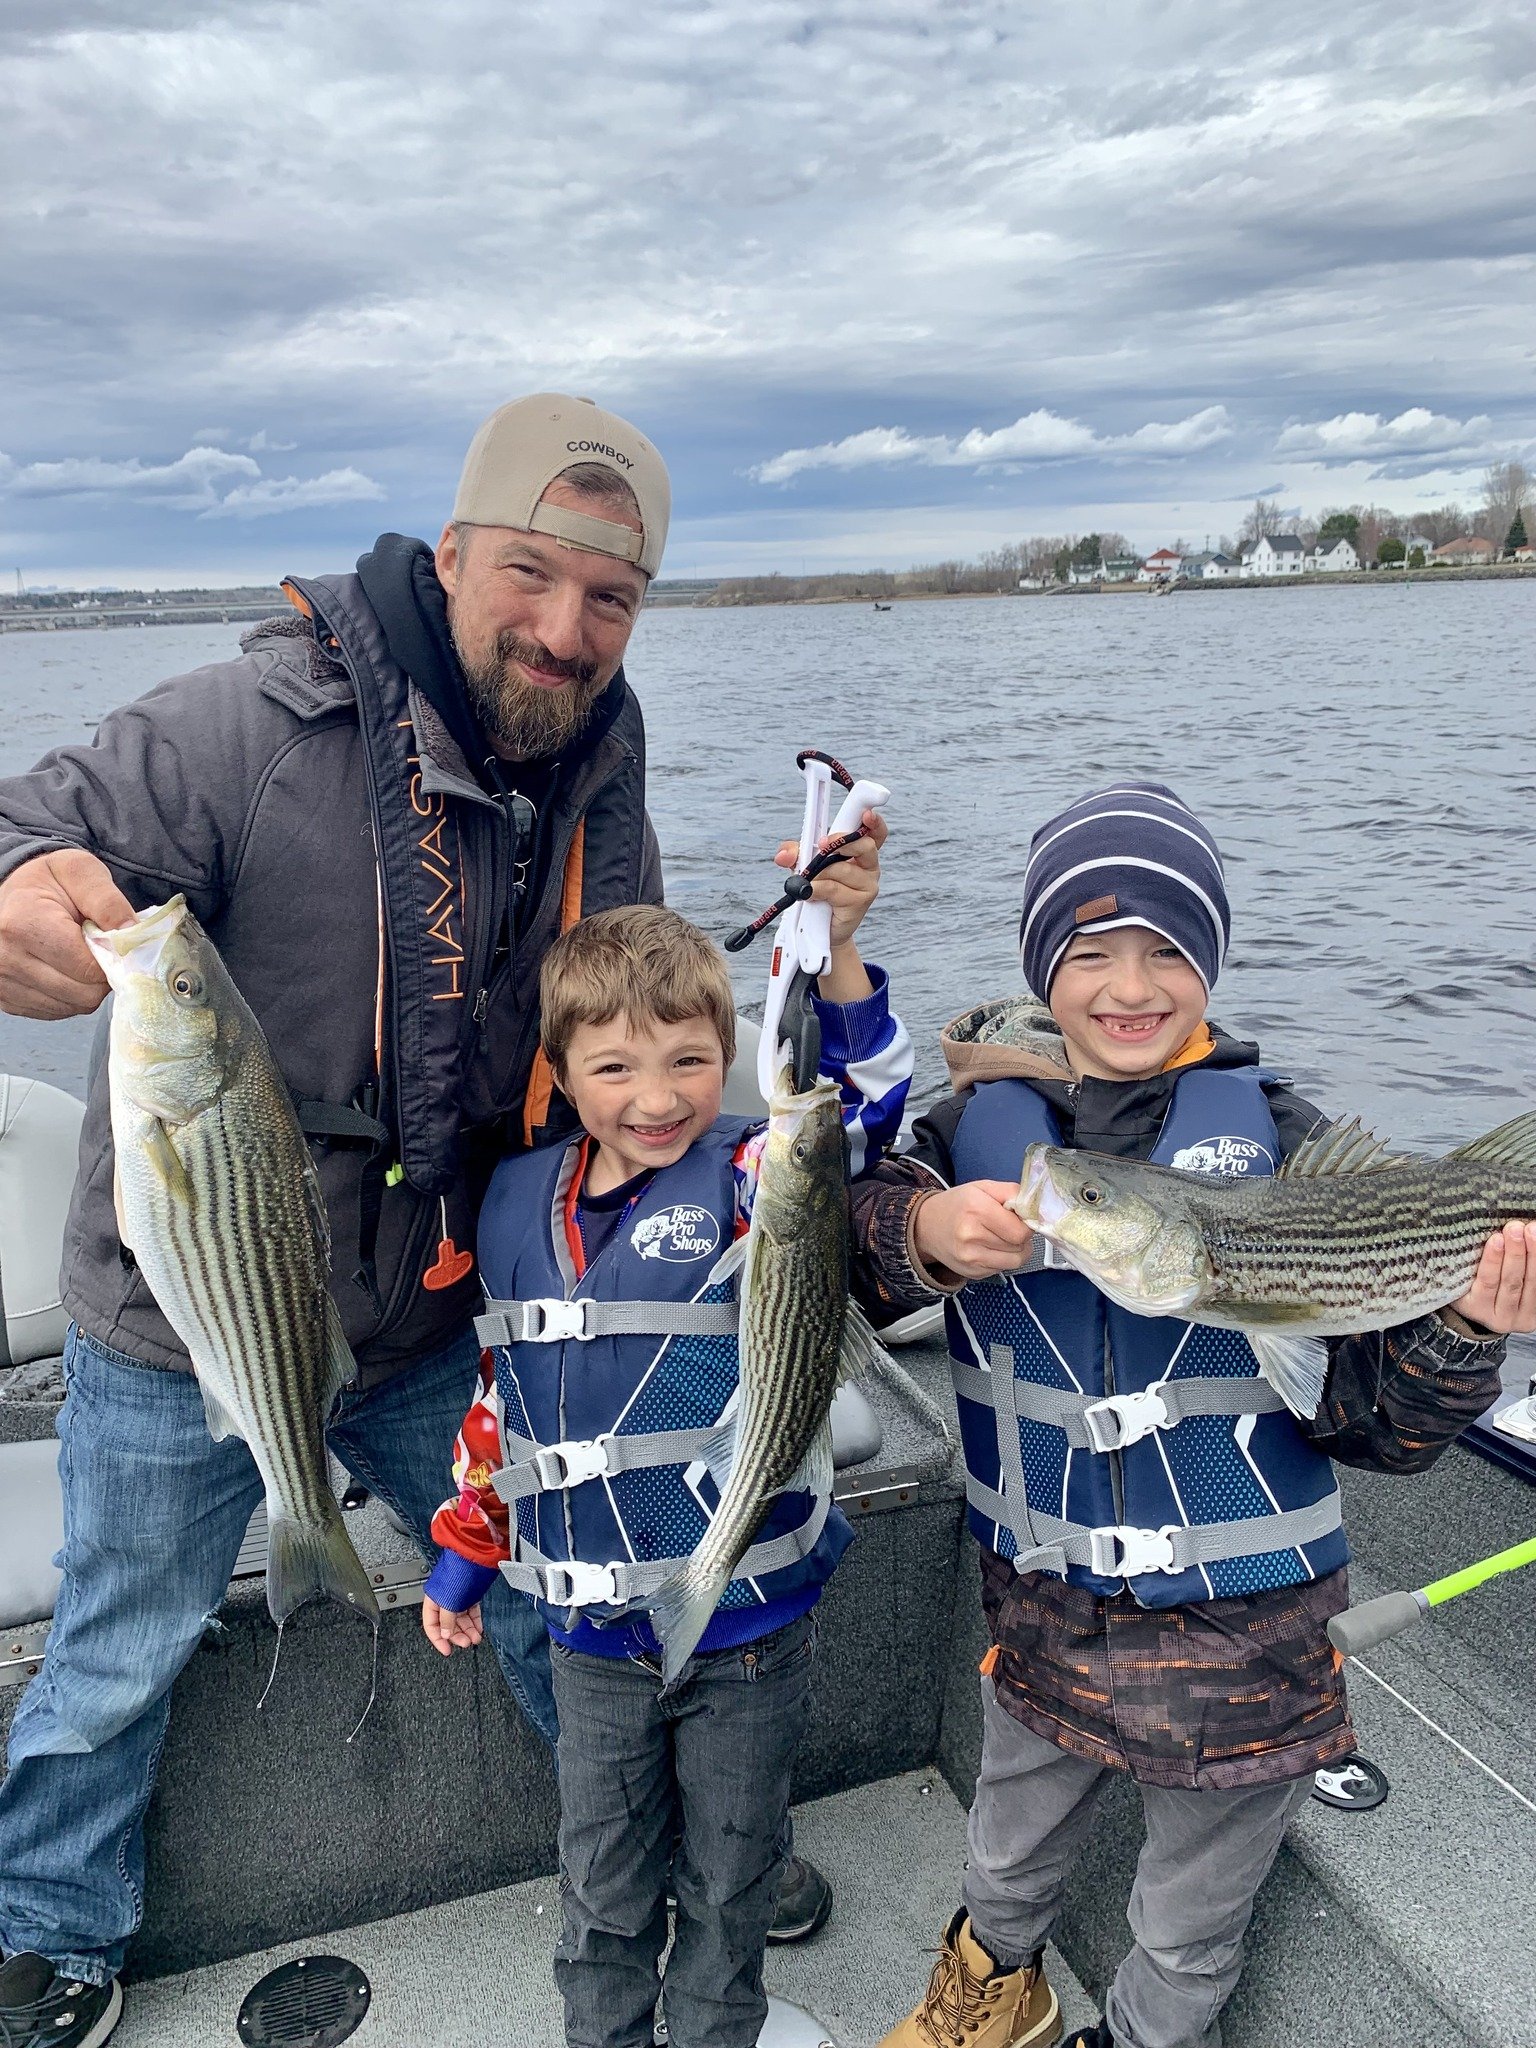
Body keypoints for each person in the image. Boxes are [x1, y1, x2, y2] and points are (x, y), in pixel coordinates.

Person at [0, 394, 687, 2048]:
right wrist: (17, 886)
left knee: (552, 1583)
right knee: (115, 1643)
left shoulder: (602, 769)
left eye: (611, 598)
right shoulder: (246, 722)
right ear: (450, 557)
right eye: (530, 572)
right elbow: (35, 827)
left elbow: (629, 1005)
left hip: (431, 1316)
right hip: (185, 1322)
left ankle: (659, 1857)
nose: (564, 626)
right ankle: (50, 1933)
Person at [851, 783, 1531, 2048]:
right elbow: (853, 1234)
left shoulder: (1282, 1138)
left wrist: (1469, 1328)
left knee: (1190, 1914)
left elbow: (1383, 1431)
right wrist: (931, 1231)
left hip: (1253, 1635)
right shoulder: (971, 1129)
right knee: (1004, 1847)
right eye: (1089, 949)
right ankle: (991, 1997)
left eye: (1166, 946)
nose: (1130, 981)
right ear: (1040, 970)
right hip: (1044, 1609)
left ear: (1211, 960)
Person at [421, 862, 912, 2048]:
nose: (657, 1096)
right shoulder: (514, 1201)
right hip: (590, 1642)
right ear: (565, 1072)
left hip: (746, 1629)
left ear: (727, 1058)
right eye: (616, 1067)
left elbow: (869, 1108)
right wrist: (466, 1552)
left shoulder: (758, 1173)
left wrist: (836, 953)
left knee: (734, 1880)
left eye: (690, 1061)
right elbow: (507, 1407)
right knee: (601, 1890)